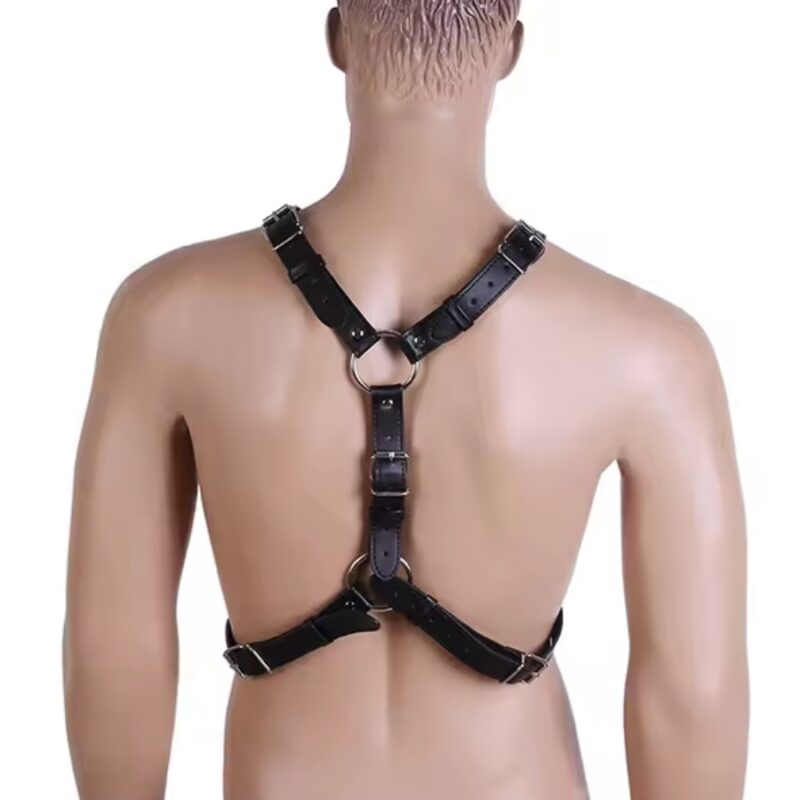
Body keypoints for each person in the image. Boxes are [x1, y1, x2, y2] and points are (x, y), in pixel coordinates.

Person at [62, 2, 749, 798]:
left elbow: (114, 647)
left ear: (336, 38)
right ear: (511, 50)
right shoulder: (650, 351)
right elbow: (692, 696)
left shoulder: (166, 315)